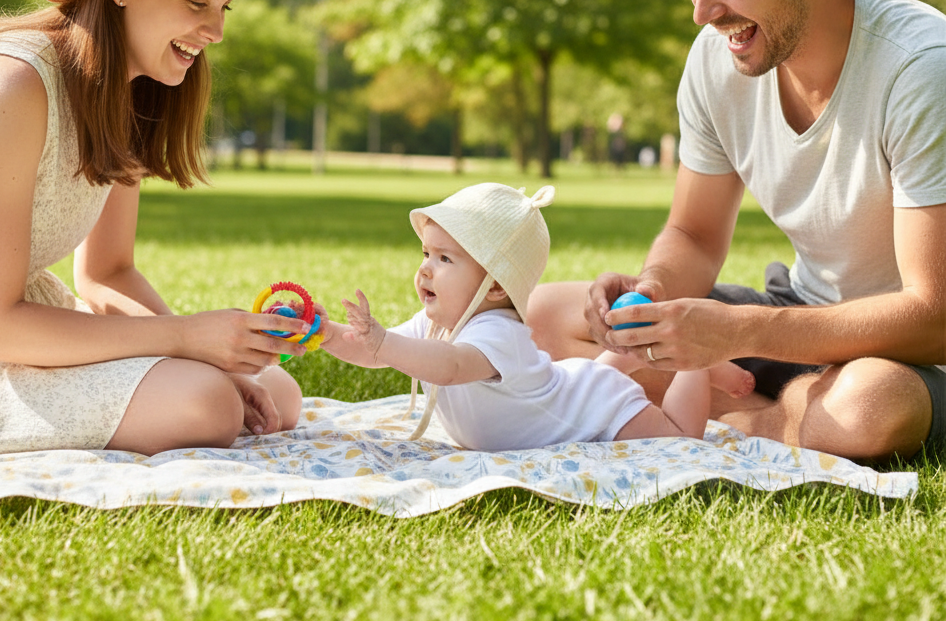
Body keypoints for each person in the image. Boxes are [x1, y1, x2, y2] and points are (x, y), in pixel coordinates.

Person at [527, 0, 946, 462]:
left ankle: (733, 418)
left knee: (868, 405)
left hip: (914, 351)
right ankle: (780, 411)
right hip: (802, 313)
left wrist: (735, 331)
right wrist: (654, 292)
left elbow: (932, 315)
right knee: (543, 313)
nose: (701, 10)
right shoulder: (719, 58)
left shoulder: (920, 71)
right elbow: (694, 235)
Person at [0, 0, 308, 458]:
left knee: (274, 391)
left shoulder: (127, 93)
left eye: (226, 6)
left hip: (16, 332)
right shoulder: (11, 84)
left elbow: (106, 275)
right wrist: (183, 338)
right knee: (206, 403)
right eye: (198, 2)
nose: (216, 31)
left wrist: (208, 349)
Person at [320, 183, 753, 452]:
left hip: (592, 406)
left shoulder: (496, 334)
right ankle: (639, 347)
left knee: (678, 437)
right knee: (596, 373)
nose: (426, 269)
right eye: (427, 254)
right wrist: (323, 333)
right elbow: (374, 354)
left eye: (445, 258)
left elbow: (450, 368)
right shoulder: (438, 325)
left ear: (494, 286)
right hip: (576, 383)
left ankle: (697, 361)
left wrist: (384, 342)